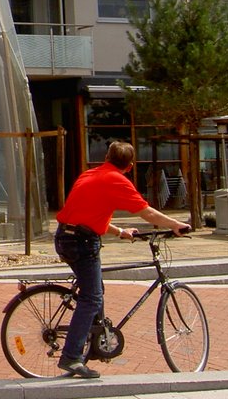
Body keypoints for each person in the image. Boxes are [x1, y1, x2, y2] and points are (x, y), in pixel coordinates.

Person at [54, 140, 190, 379]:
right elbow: (147, 212)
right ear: (130, 166)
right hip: (82, 243)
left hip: (66, 236)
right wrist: (176, 224)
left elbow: (89, 215)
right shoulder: (117, 180)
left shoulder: (90, 174)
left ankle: (97, 339)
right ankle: (72, 357)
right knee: (92, 298)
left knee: (94, 292)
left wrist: (120, 232)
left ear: (107, 157)